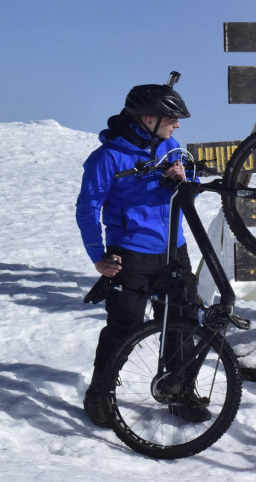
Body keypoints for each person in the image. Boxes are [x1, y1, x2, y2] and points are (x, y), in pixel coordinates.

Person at [76, 78, 204, 428]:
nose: (177, 125)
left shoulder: (170, 145)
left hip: (174, 252)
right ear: (149, 118)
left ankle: (178, 392)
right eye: (172, 118)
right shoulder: (107, 158)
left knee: (182, 324)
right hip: (130, 256)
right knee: (124, 327)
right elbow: (87, 209)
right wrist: (97, 256)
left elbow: (186, 187)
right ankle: (100, 396)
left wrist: (183, 176)